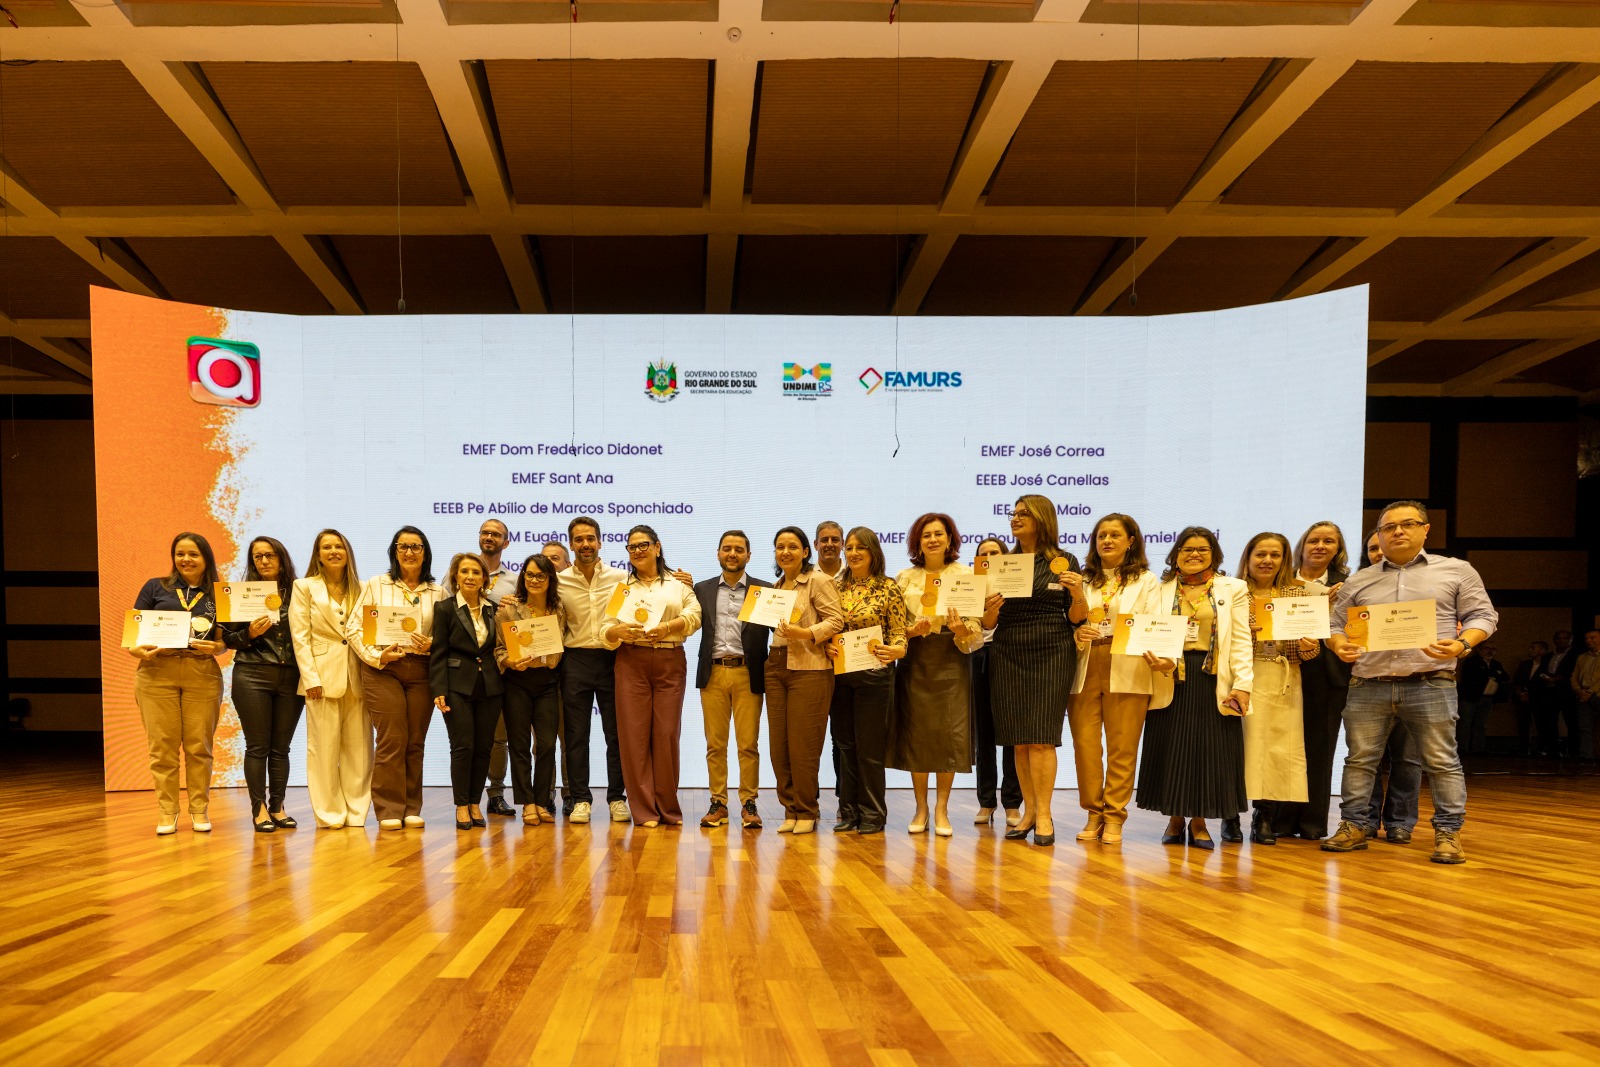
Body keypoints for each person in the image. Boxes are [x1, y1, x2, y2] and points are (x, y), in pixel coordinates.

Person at [1324, 500, 1498, 865]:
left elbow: (1483, 615)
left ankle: (1448, 834)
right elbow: (1336, 626)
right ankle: (1354, 826)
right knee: (1359, 762)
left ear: (1425, 529)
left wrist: (1464, 643)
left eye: (1407, 524)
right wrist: (1339, 644)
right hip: (1368, 683)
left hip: (1431, 682)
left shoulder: (1456, 571)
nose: (1398, 532)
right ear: (1379, 535)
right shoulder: (1360, 579)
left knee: (1442, 762)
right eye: (1389, 527)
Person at [1137, 528, 1252, 849]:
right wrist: (1158, 661)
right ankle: (1175, 819)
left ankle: (1200, 822)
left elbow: (1242, 640)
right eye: (1187, 549)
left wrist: (1243, 685)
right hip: (1170, 678)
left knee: (1208, 755)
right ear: (1175, 555)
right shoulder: (1159, 591)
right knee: (1172, 752)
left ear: (1214, 554)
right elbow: (1147, 633)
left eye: (1203, 549)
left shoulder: (1234, 589)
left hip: (1214, 681)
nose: (1194, 554)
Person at [980, 495, 1084, 848]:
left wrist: (1079, 593)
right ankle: (1027, 812)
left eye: (1023, 514)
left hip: (1052, 647)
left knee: (1041, 736)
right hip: (1008, 648)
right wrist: (989, 609)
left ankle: (1045, 814)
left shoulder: (1063, 561)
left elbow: (1077, 617)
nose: (1015, 519)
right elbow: (988, 622)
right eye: (1014, 513)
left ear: (1042, 519)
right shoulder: (1003, 563)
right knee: (1019, 739)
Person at [1069, 513, 1163, 845]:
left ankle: (1114, 816)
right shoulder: (1082, 579)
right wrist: (1079, 631)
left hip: (1128, 662)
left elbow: (1154, 621)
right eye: (1101, 536)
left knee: (1122, 747)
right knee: (1085, 746)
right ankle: (1093, 813)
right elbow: (1071, 620)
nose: (1107, 541)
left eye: (1114, 535)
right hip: (1087, 661)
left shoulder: (1148, 580)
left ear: (1131, 541)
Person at [128, 532, 228, 835]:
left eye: (193, 554)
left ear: (206, 558)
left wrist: (219, 649)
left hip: (202, 673)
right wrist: (136, 649)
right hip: (157, 672)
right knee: (162, 748)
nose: (186, 559)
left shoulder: (219, 592)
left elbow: (223, 642)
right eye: (180, 553)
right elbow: (134, 632)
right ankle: (167, 811)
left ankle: (199, 810)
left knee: (200, 747)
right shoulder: (155, 586)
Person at [603, 525, 702, 828]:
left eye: (643, 544)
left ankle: (668, 808)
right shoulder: (623, 588)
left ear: (658, 547)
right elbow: (604, 630)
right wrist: (615, 631)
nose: (637, 551)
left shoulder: (677, 583)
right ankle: (645, 811)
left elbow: (695, 615)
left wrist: (670, 627)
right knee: (634, 738)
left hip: (670, 660)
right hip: (631, 662)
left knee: (667, 734)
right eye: (631, 547)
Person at [892, 512, 983, 837]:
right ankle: (921, 808)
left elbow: (976, 630)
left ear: (950, 539)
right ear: (918, 541)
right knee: (918, 735)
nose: (932, 539)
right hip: (916, 661)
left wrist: (962, 629)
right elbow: (894, 627)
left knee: (948, 735)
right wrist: (911, 631)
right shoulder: (904, 578)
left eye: (938, 534)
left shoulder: (966, 574)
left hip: (952, 660)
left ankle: (942, 809)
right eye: (926, 535)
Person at [349, 526, 445, 830]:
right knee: (392, 739)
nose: (409, 553)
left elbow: (446, 636)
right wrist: (377, 657)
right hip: (383, 670)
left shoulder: (438, 592)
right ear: (394, 552)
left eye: (416, 547)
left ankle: (411, 807)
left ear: (425, 553)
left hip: (422, 670)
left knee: (415, 741)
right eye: (402, 547)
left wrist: (434, 645)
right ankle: (389, 808)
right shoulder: (376, 584)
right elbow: (353, 628)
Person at [1237, 532, 1319, 845]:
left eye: (1275, 554)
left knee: (1278, 750)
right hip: (1243, 675)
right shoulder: (1233, 593)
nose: (1267, 560)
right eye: (1260, 554)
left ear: (1285, 559)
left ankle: (1264, 814)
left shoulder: (1298, 595)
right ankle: (1231, 814)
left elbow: (1312, 653)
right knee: (1241, 745)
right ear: (1248, 557)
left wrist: (1307, 644)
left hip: (1284, 676)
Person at [1272, 521, 1351, 841]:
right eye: (1314, 540)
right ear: (1301, 546)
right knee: (1282, 747)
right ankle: (1279, 820)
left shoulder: (1349, 584)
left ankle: (1313, 822)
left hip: (1326, 674)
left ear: (1337, 549)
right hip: (1282, 670)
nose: (1320, 546)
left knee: (1320, 747)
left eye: (1328, 541)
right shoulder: (1281, 581)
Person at [765, 525, 845, 836]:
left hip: (809, 667)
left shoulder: (818, 580)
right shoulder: (776, 586)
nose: (785, 552)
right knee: (779, 746)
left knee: (803, 746)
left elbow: (837, 619)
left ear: (805, 552)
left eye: (792, 547)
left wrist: (807, 634)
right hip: (776, 665)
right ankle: (790, 808)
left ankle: (807, 810)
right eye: (780, 546)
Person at [289, 529, 370, 830]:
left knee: (359, 748)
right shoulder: (304, 586)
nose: (333, 551)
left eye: (339, 546)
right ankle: (329, 813)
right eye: (327, 547)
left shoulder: (361, 588)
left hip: (358, 677)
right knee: (323, 749)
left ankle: (357, 811)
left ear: (348, 552)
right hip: (319, 677)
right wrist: (310, 677)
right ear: (318, 554)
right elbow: (300, 636)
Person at [828, 526, 906, 835]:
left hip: (875, 674)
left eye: (861, 547)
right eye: (850, 547)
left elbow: (899, 631)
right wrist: (825, 644)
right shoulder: (835, 586)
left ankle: (873, 813)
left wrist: (898, 648)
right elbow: (825, 625)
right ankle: (848, 811)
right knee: (845, 745)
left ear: (874, 551)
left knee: (869, 748)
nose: (854, 552)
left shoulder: (889, 587)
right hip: (839, 673)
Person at [223, 536, 304, 834]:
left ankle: (278, 807)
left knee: (281, 748)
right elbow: (227, 639)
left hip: (292, 676)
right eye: (258, 557)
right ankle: (258, 810)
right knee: (258, 747)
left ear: (282, 558)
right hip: (252, 676)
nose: (264, 561)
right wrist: (249, 635)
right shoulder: (242, 594)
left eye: (270, 555)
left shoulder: (300, 591)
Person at [693, 531, 770, 830]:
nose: (732, 554)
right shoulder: (702, 589)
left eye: (739, 549)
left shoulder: (764, 590)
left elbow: (780, 630)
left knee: (748, 744)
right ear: (718, 553)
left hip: (748, 673)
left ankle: (749, 803)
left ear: (749, 555)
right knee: (715, 744)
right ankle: (718, 802)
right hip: (712, 673)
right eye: (727, 549)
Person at [557, 516, 628, 825]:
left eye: (590, 538)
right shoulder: (559, 581)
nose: (585, 544)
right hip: (575, 661)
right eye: (578, 539)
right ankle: (581, 799)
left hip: (613, 660)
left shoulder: (622, 578)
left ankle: (616, 798)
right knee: (575, 735)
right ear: (571, 544)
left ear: (600, 541)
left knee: (616, 734)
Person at [1352, 527, 1420, 844]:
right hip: (1369, 682)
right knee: (1366, 760)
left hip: (1417, 683)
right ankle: (1363, 821)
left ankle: (1400, 822)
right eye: (1372, 550)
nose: (1379, 554)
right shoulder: (1357, 588)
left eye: (1382, 548)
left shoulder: (1425, 588)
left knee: (1407, 760)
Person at [431, 552, 503, 831]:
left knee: (484, 747)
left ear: (484, 578)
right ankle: (461, 805)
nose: (470, 577)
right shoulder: (445, 609)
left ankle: (475, 802)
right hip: (456, 686)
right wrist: (438, 688)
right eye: (464, 572)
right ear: (455, 577)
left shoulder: (494, 608)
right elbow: (439, 651)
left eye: (476, 572)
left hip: (491, 686)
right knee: (463, 747)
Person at [493, 553, 565, 825]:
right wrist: (510, 661)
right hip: (516, 682)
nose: (535, 580)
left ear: (550, 579)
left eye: (541, 575)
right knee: (520, 746)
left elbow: (560, 646)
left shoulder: (558, 608)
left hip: (547, 682)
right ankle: (528, 803)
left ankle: (543, 799)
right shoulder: (508, 609)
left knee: (547, 744)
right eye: (529, 575)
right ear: (523, 577)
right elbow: (498, 648)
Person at [971, 537, 1022, 828]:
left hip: (1010, 655)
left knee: (1011, 733)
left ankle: (1012, 802)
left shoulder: (1018, 582)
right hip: (979, 654)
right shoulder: (970, 585)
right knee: (984, 732)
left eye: (995, 553)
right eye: (983, 554)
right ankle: (986, 801)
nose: (989, 557)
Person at [473, 518, 518, 818]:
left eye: (496, 534)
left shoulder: (515, 581)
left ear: (506, 542)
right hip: (469, 665)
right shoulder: (459, 574)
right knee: (477, 736)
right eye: (485, 533)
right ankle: (474, 797)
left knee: (500, 735)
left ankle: (498, 794)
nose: (490, 537)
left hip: (504, 663)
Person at [1457, 642, 1509, 756]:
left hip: (1488, 698)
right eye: (1487, 648)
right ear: (1479, 650)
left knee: (1481, 724)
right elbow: (1474, 676)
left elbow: (1505, 677)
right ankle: (1462, 748)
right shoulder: (1472, 661)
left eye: (1493, 648)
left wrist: (1491, 674)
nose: (1490, 651)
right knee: (1465, 723)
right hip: (1470, 698)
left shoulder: (1496, 664)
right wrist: (1494, 674)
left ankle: (1478, 748)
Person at [1540, 630, 1580, 756]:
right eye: (1558, 638)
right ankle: (1553, 749)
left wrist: (1561, 678)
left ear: (1570, 639)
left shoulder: (1576, 655)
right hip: (1550, 691)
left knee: (1571, 721)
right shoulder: (1548, 656)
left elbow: (1576, 673)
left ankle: (1574, 750)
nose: (1561, 640)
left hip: (1567, 691)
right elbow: (1542, 670)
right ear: (1554, 640)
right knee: (1550, 721)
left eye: (1565, 638)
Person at [1513, 640, 1550, 756]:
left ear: (1542, 651)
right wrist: (1521, 693)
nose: (1530, 650)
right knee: (1523, 723)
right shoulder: (1525, 664)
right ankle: (1524, 748)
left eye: (1533, 648)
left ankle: (1541, 747)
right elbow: (1517, 680)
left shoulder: (1548, 665)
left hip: (1540, 699)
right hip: (1523, 697)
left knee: (1541, 723)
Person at [1572, 629, 1600, 761]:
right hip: (1583, 695)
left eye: (1593, 638)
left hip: (1597, 694)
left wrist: (1591, 691)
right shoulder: (1582, 657)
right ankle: (1586, 755)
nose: (1589, 641)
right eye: (1587, 638)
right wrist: (1578, 690)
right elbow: (1574, 676)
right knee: (1585, 727)